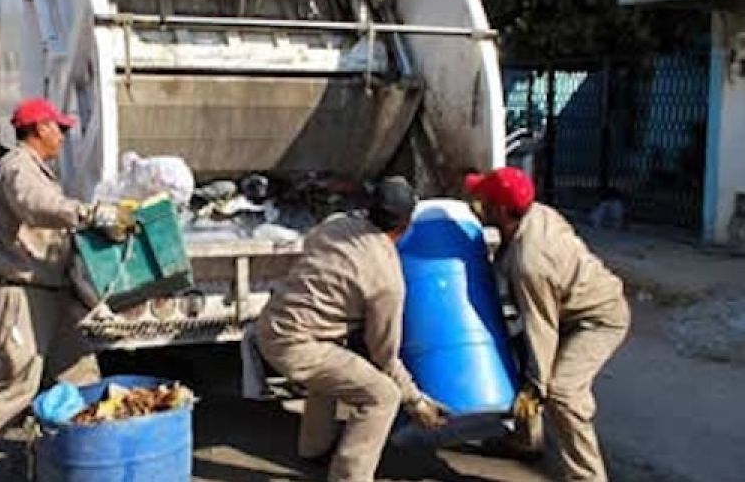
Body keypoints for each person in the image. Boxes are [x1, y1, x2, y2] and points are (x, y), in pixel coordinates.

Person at [0, 97, 116, 482]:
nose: (63, 136)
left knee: (82, 378)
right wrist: (89, 213)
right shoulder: (18, 168)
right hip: (19, 296)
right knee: (14, 390)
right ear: (40, 129)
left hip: (50, 296)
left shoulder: (37, 169)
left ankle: (79, 464)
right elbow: (35, 206)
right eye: (59, 128)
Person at [256, 177, 449, 482]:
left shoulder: (335, 225)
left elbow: (316, 251)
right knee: (382, 395)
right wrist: (416, 401)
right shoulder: (386, 278)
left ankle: (314, 450)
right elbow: (385, 358)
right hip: (295, 344)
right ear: (406, 226)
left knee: (336, 367)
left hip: (271, 323)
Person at [464, 167, 630, 482]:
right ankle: (525, 441)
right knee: (514, 350)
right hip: (565, 307)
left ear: (500, 210)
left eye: (482, 200)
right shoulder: (536, 214)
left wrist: (536, 387)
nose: (476, 204)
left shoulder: (531, 262)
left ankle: (587, 477)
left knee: (562, 392)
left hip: (598, 319)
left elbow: (542, 327)